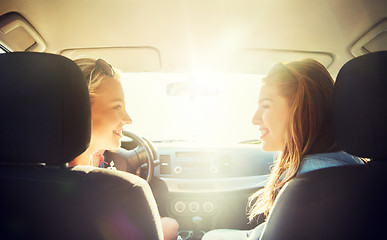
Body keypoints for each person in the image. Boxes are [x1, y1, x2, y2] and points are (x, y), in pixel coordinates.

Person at [202, 59, 364, 240]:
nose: (254, 119)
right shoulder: (357, 167)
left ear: (299, 111)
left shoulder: (305, 181)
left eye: (265, 106)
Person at [68, 58, 179, 240]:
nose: (128, 119)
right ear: (81, 110)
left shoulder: (22, 177)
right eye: (117, 106)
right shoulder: (122, 189)